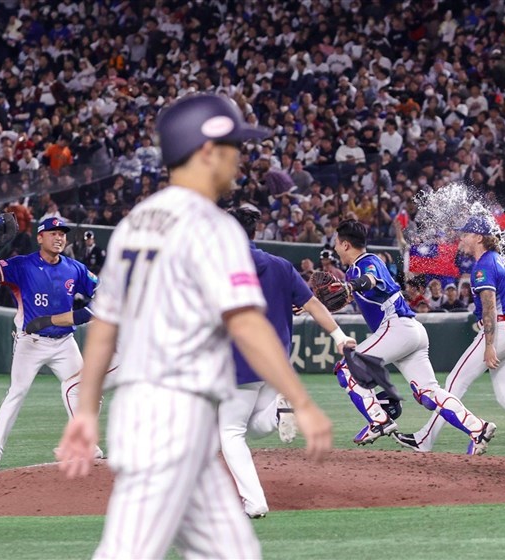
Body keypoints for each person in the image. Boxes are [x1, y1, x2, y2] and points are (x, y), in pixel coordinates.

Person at [56, 94, 332, 559]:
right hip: (170, 421)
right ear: (206, 151)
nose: (239, 160)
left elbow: (104, 326)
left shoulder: (136, 224)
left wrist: (86, 411)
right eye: (233, 147)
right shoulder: (215, 229)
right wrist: (300, 400)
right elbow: (246, 325)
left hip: (172, 418)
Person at [219, 206, 356, 519]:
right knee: (252, 427)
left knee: (229, 431)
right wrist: (338, 337)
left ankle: (254, 502)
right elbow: (314, 305)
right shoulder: (281, 265)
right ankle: (280, 411)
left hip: (239, 360)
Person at [394, 216, 505, 456]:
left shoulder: (484, 264)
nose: (461, 239)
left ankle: (426, 438)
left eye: (465, 234)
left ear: (478, 237)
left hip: (499, 330)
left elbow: (489, 308)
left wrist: (489, 345)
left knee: (454, 382)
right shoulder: (497, 260)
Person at [332, 219, 496, 453]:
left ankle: (379, 419)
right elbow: (346, 295)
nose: (336, 248)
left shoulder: (368, 262)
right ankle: (477, 427)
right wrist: (307, 304)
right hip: (409, 331)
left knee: (346, 368)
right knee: (428, 393)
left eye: (337, 243)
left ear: (346, 244)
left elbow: (369, 280)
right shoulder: (354, 272)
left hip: (397, 327)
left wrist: (351, 286)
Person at [0, 217, 100, 473]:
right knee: (16, 393)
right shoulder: (23, 265)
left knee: (85, 390)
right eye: (53, 233)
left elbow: (99, 289)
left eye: (62, 234)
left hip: (65, 342)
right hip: (30, 343)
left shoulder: (74, 268)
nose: (59, 238)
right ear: (40, 238)